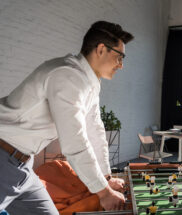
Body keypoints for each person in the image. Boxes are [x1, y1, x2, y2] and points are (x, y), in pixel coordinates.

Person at [0, 21, 134, 214]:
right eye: (119, 57)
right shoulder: (68, 76)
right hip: (3, 158)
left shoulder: (89, 83)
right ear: (101, 49)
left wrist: (105, 178)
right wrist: (103, 193)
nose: (121, 65)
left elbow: (95, 130)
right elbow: (75, 141)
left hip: (23, 166)